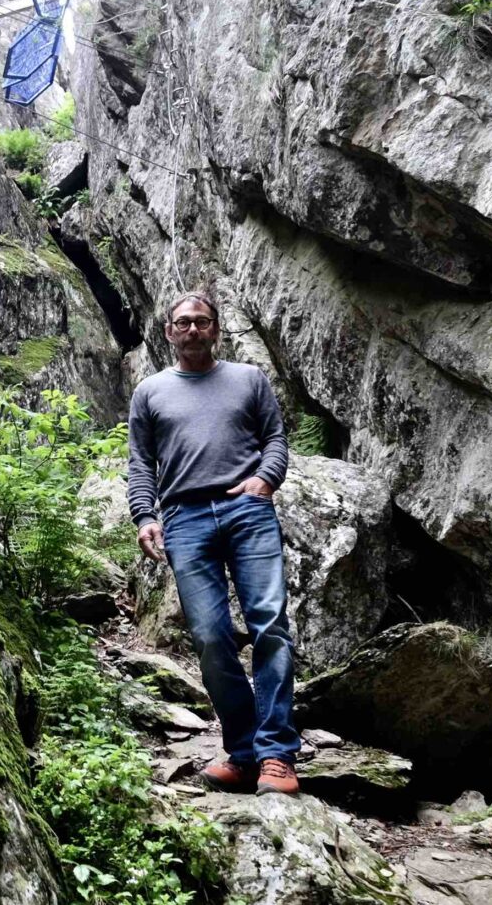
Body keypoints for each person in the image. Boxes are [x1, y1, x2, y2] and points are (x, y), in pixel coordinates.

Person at [127, 292, 301, 795]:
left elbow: (275, 438)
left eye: (202, 322)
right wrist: (145, 515)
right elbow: (141, 462)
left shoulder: (249, 379)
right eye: (182, 323)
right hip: (184, 517)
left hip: (247, 509)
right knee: (208, 635)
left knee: (269, 624)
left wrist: (265, 480)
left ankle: (277, 756)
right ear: (168, 332)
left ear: (216, 329)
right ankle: (244, 753)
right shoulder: (150, 392)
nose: (192, 330)